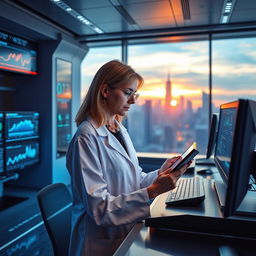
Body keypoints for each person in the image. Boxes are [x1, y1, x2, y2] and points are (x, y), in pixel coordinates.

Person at [66, 60, 190, 255]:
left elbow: (133, 179)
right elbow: (100, 210)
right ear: (105, 91)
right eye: (127, 93)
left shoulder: (118, 128)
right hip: (99, 243)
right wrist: (153, 191)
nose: (133, 101)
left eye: (135, 94)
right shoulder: (86, 138)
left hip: (125, 232)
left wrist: (159, 173)